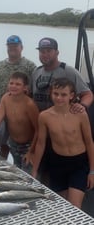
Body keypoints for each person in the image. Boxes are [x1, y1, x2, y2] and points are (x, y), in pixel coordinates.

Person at [30, 37, 93, 185]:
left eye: (48, 51)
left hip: (65, 127)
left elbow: (88, 94)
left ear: (57, 52)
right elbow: (31, 98)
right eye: (42, 52)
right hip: (43, 125)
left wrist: (82, 106)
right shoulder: (36, 72)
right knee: (45, 173)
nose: (44, 54)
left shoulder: (68, 71)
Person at [31, 78, 94, 209]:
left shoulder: (80, 114)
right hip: (58, 163)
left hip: (79, 164)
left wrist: (92, 171)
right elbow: (41, 143)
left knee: (75, 206)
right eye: (56, 94)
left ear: (72, 96)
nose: (59, 98)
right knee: (62, 204)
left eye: (63, 95)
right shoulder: (44, 116)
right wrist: (35, 170)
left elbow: (89, 143)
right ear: (51, 94)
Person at [0, 72, 39, 172]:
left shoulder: (29, 104)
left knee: (27, 174)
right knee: (17, 171)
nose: (13, 86)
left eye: (18, 84)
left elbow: (38, 130)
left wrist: (31, 152)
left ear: (25, 88)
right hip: (13, 144)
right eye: (11, 83)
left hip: (28, 146)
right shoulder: (5, 98)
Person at [0, 35, 36, 157]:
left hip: (22, 115)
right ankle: (4, 165)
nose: (12, 48)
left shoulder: (30, 65)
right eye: (10, 46)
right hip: (4, 112)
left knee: (21, 146)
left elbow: (36, 87)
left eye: (15, 46)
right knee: (4, 144)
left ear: (21, 47)